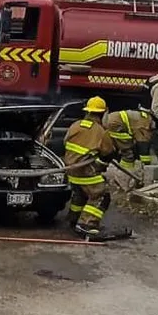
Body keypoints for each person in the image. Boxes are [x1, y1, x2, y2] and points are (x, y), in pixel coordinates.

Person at [63, 96, 117, 240]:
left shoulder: (75, 125)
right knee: (102, 195)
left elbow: (65, 142)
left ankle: (73, 220)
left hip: (71, 171)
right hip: (86, 173)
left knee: (81, 193)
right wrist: (99, 166)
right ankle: (87, 224)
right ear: (102, 114)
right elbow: (108, 153)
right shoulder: (100, 131)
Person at [101, 106, 155, 188]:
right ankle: (123, 177)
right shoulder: (145, 124)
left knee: (116, 150)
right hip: (116, 124)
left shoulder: (144, 117)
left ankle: (122, 174)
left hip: (113, 121)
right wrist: (147, 165)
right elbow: (143, 146)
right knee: (128, 154)